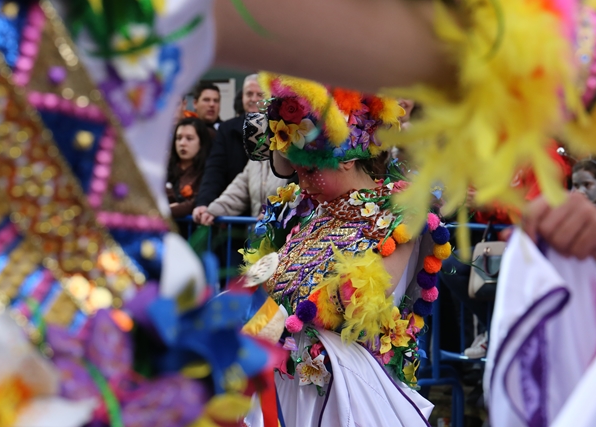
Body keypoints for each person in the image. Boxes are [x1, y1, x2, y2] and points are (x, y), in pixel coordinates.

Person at [242, 73, 451, 427]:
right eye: (297, 172)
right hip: (285, 388)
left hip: (351, 392)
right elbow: (262, 285)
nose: (303, 183)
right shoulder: (299, 209)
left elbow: (357, 302)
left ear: (347, 159)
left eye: (311, 170)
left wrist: (273, 315)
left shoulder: (402, 213)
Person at [192, 74, 264, 219]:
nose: (254, 99)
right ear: (242, 96)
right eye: (249, 94)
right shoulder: (227, 130)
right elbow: (214, 170)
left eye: (260, 94)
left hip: (268, 219)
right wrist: (205, 203)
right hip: (232, 216)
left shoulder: (280, 131)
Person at [192, 160, 289, 225]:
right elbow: (239, 189)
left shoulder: (294, 152)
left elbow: (297, 193)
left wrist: (275, 212)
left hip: (289, 240)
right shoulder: (256, 157)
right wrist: (213, 210)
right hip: (258, 238)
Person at [166, 117, 212, 219]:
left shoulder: (208, 171)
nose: (182, 143)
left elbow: (197, 201)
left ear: (201, 142)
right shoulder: (164, 169)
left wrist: (167, 210)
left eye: (189, 138)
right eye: (178, 138)